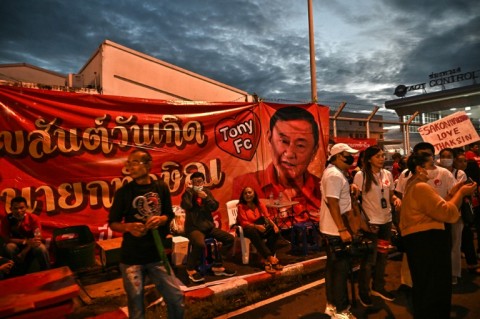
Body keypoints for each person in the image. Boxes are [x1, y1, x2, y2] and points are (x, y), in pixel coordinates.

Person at [108, 149, 185, 319]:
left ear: (149, 165)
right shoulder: (124, 193)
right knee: (136, 307)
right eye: (128, 163)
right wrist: (128, 227)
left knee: (176, 297)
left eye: (135, 162)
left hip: (157, 255)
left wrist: (161, 219)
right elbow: (113, 222)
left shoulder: (161, 187)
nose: (130, 167)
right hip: (131, 259)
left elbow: (169, 214)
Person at [400, 153, 477, 319]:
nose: (436, 169)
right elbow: (447, 213)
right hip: (427, 241)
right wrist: (462, 193)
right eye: (431, 165)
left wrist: (453, 192)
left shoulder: (414, 184)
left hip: (421, 240)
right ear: (419, 168)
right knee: (434, 284)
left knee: (426, 283)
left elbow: (438, 206)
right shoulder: (421, 187)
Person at [232, 106, 322, 225]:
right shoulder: (245, 182)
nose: (289, 154)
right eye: (283, 141)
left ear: (314, 151)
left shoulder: (320, 187)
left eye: (300, 145)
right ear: (269, 138)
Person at [394, 142, 456, 288]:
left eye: (428, 155)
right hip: (420, 226)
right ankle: (412, 284)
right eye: (422, 156)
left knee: (433, 261)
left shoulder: (444, 173)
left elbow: (450, 195)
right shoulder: (415, 181)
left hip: (438, 222)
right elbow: (399, 193)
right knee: (419, 262)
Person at [353, 146, 401, 306]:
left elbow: (390, 194)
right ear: (369, 159)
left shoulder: (387, 174)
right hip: (371, 225)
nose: (382, 158)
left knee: (382, 256)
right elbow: (355, 202)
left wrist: (395, 199)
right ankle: (363, 291)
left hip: (386, 223)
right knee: (368, 261)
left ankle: (378, 287)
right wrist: (361, 222)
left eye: (382, 155)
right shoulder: (360, 176)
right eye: (378, 156)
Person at [320, 143, 362, 319]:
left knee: (333, 269)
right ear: (337, 156)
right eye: (347, 155)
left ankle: (332, 305)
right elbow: (333, 202)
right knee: (341, 271)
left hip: (331, 228)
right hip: (336, 230)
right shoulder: (334, 175)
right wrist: (342, 229)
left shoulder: (336, 173)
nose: (351, 158)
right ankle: (341, 310)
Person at [181, 171, 236, 283]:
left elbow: (214, 206)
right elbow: (186, 205)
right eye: (195, 182)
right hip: (194, 228)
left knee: (229, 239)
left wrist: (206, 198)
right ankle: (190, 269)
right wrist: (191, 193)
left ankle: (217, 265)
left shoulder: (207, 192)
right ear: (191, 183)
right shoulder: (188, 193)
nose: (198, 184)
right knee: (199, 244)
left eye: (200, 181)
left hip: (208, 227)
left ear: (203, 182)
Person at [237, 186, 283, 273]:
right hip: (246, 229)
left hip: (259, 227)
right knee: (253, 232)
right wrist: (257, 226)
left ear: (254, 194)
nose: (247, 195)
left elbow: (267, 217)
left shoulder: (259, 204)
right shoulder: (241, 206)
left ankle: (266, 260)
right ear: (242, 196)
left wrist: (274, 226)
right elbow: (244, 223)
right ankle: (269, 257)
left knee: (275, 232)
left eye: (249, 192)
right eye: (245, 193)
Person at [438, 147, 467, 284]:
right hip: (439, 213)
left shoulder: (459, 174)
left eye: (448, 156)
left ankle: (454, 273)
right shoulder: (436, 172)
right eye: (443, 156)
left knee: (455, 244)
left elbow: (458, 192)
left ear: (453, 158)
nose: (445, 158)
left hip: (456, 214)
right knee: (441, 244)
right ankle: (441, 271)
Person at [0, 196, 50, 275]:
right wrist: (25, 241)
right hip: (18, 245)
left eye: (21, 208)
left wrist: (24, 252)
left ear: (26, 208)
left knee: (41, 248)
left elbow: (37, 238)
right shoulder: (6, 219)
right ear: (10, 209)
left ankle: (47, 271)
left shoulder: (33, 218)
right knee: (9, 247)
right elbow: (6, 239)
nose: (18, 211)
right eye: (15, 208)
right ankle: (15, 273)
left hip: (31, 246)